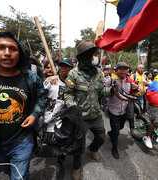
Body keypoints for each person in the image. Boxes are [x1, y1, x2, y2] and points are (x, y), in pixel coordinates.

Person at [0, 32, 46, 180]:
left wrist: (34, 114)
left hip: (22, 140)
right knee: (5, 168)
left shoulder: (31, 78)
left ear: (19, 53)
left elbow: (42, 97)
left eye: (12, 49)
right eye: (0, 48)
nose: (7, 53)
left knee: (19, 177)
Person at [64, 39, 112, 180]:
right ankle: (76, 168)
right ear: (84, 57)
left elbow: (103, 91)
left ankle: (93, 149)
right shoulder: (73, 74)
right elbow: (68, 93)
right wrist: (71, 104)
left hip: (96, 115)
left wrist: (112, 91)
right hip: (81, 118)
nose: (95, 57)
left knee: (101, 137)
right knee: (78, 145)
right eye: (92, 54)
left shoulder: (98, 73)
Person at [106, 62, 140, 159]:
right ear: (116, 71)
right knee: (116, 131)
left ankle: (111, 133)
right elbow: (103, 90)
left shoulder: (130, 81)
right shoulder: (111, 80)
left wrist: (137, 87)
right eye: (121, 69)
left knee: (120, 127)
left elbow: (139, 90)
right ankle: (114, 148)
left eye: (125, 69)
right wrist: (110, 91)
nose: (123, 71)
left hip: (125, 111)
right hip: (113, 111)